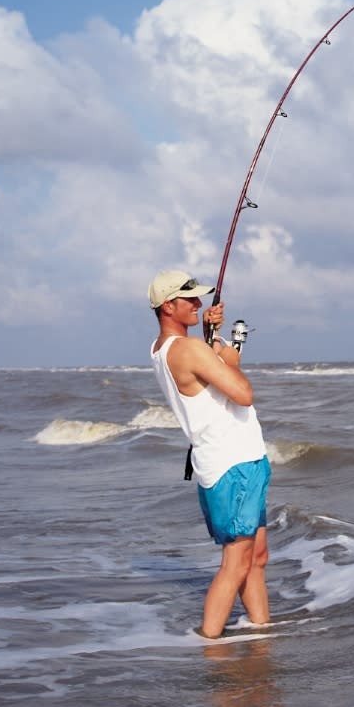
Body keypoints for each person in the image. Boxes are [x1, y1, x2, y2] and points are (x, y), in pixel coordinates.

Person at [147, 269, 271, 639]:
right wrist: (218, 347)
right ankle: (210, 646)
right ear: (168, 306)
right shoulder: (188, 349)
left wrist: (211, 338)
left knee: (256, 558)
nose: (199, 305)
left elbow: (207, 375)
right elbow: (242, 392)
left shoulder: (165, 348)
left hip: (233, 460)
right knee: (235, 564)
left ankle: (261, 635)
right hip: (233, 464)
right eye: (190, 300)